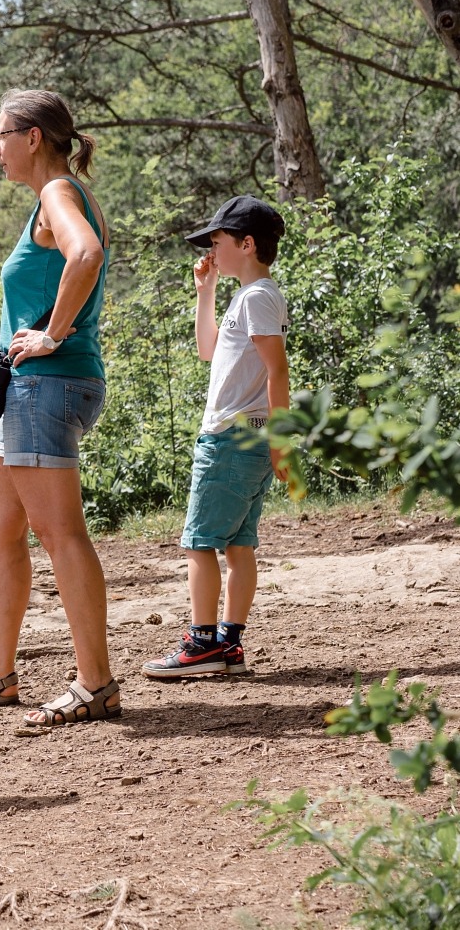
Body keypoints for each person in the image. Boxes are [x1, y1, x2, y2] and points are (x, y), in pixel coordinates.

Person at [0, 89, 119, 726]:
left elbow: (85, 256)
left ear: (33, 137)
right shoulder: (62, 195)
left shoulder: (58, 194)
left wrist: (51, 334)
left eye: (1, 134)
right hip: (39, 389)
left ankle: (95, 685)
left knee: (60, 533)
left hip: (49, 382)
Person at [144, 195, 290, 679]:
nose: (210, 248)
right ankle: (228, 645)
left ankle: (201, 642)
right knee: (238, 544)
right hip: (243, 437)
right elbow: (208, 351)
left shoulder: (260, 296)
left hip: (232, 439)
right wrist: (204, 290)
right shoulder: (245, 297)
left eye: (217, 240)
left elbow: (278, 370)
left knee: (198, 543)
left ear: (247, 244)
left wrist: (281, 438)